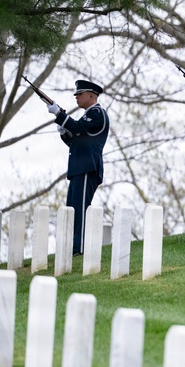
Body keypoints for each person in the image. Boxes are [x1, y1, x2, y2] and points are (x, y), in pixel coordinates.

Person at [46, 80, 109, 255]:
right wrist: (64, 131)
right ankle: (72, 247)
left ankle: (79, 247)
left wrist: (58, 114)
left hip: (88, 168)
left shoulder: (97, 113)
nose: (77, 97)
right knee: (72, 208)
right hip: (78, 168)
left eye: (80, 94)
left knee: (80, 209)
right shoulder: (87, 115)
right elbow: (75, 142)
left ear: (91, 95)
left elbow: (79, 128)